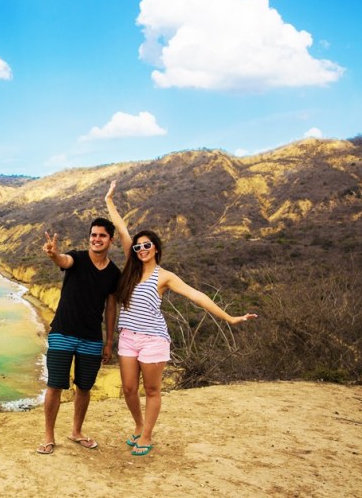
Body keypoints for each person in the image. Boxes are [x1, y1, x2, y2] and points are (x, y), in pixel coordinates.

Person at [105, 181, 257, 457]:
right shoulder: (131, 265)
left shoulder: (165, 276)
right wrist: (109, 201)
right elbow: (122, 229)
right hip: (128, 336)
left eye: (147, 245)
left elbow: (196, 296)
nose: (141, 250)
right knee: (128, 388)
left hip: (153, 339)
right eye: (138, 247)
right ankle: (139, 425)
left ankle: (147, 435)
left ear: (157, 249)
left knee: (151, 389)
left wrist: (229, 318)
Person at [37, 216, 125, 454]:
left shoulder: (113, 274)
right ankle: (48, 436)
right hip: (62, 333)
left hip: (91, 338)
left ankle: (76, 432)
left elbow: (110, 308)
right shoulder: (77, 257)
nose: (97, 239)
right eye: (93, 235)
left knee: (84, 387)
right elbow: (63, 260)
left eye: (102, 235)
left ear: (111, 239)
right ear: (89, 237)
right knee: (55, 386)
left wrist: (108, 342)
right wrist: (53, 254)